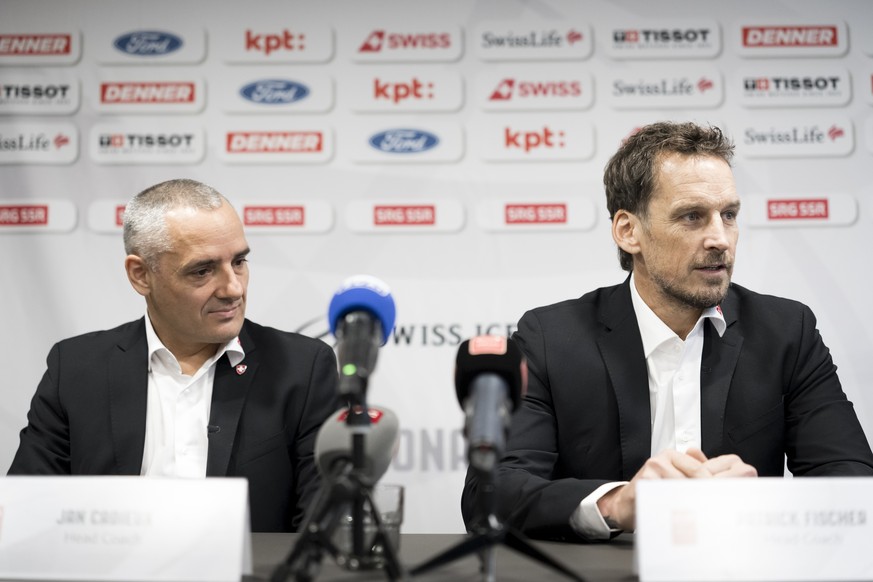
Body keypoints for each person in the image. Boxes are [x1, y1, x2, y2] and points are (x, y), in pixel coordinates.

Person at [461, 121, 873, 541]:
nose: (720, 239)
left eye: (728, 215)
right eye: (692, 216)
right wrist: (616, 504)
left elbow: (852, 478)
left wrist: (761, 506)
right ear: (628, 231)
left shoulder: (787, 331)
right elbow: (491, 493)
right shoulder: (551, 337)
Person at [8, 178, 339, 532]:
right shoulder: (75, 368)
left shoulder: (302, 369)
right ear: (141, 275)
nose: (234, 288)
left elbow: (322, 528)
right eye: (203, 270)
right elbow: (26, 516)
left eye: (239, 261)